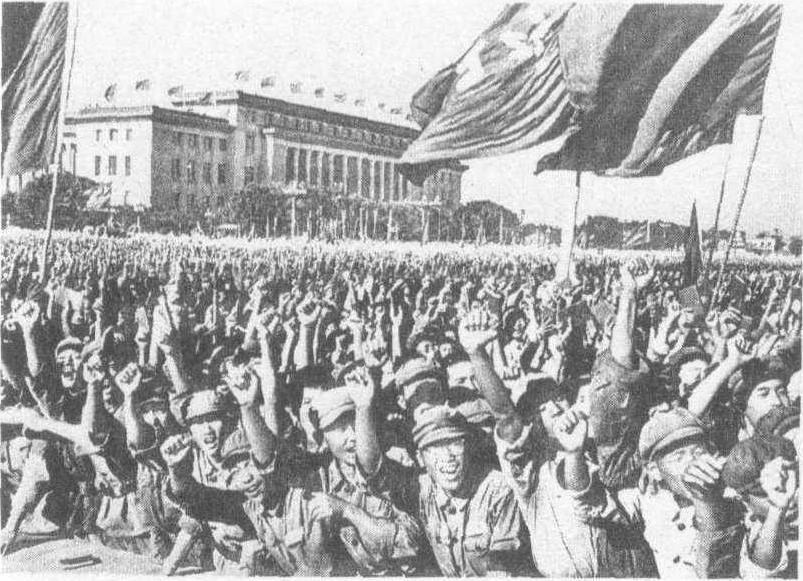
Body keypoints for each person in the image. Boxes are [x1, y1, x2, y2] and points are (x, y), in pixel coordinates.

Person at [413, 405, 531, 576]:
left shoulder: (498, 490)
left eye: (455, 443)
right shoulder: (423, 491)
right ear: (420, 458)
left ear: (468, 447)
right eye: (435, 447)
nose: (447, 456)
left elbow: (503, 571)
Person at [722, 434, 798, 578]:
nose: (791, 496)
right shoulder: (758, 535)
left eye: (793, 482)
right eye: (767, 494)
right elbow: (763, 566)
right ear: (745, 500)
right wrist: (777, 509)